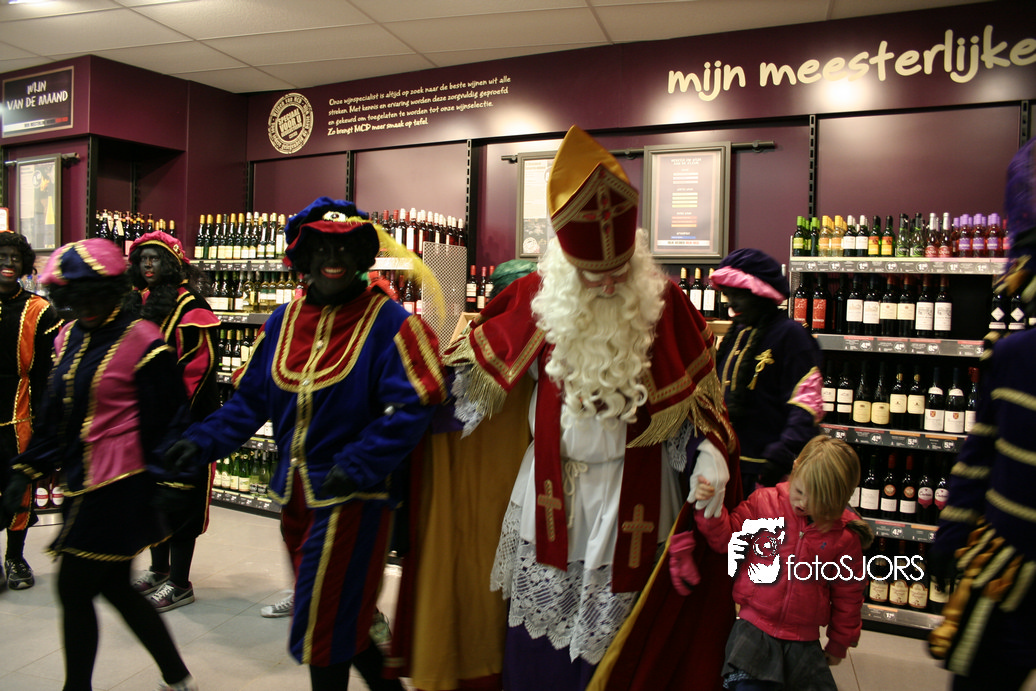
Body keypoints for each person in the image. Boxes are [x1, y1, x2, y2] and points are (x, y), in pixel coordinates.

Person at [405, 125, 740, 691]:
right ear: (563, 262)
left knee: (620, 638)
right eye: (592, 275)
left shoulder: (666, 303)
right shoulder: (535, 299)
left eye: (618, 272)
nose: (608, 286)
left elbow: (696, 405)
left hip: (635, 496)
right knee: (541, 638)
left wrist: (711, 453)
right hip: (550, 490)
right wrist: (411, 408)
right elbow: (469, 387)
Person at [164, 198, 447, 691]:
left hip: (354, 500)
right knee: (343, 619)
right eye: (320, 248)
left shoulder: (391, 324)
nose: (332, 258)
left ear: (362, 257)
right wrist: (202, 442)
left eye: (344, 248)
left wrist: (358, 463)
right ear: (303, 256)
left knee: (323, 621)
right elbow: (250, 401)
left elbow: (413, 407)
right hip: (294, 498)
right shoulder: (282, 322)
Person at [1, 238, 196, 691]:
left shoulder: (144, 340)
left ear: (112, 290)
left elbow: (171, 418)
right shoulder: (69, 336)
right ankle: (178, 677)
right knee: (115, 589)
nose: (85, 307)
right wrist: (26, 469)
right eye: (76, 297)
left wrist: (174, 482)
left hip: (121, 487)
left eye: (93, 295)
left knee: (73, 589)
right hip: (81, 482)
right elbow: (56, 414)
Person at [927, 139, 1036, 690]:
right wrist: (952, 532)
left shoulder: (1014, 354)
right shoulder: (1013, 355)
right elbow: (979, 453)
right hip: (1002, 577)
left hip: (1006, 565)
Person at [691, 435, 873, 691]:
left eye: (818, 500)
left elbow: (849, 594)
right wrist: (708, 507)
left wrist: (839, 642)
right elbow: (727, 539)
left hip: (804, 639)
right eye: (800, 492)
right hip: (753, 628)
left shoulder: (844, 537)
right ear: (795, 468)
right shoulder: (763, 503)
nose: (804, 504)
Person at [127, 230, 220, 611]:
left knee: (182, 501)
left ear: (171, 263)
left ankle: (180, 583)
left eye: (155, 258)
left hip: (185, 422)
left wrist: (167, 410)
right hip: (147, 422)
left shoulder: (192, 306)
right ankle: (158, 570)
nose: (148, 265)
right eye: (142, 259)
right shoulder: (139, 301)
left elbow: (198, 369)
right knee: (155, 499)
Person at [710, 249, 823, 493]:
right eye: (729, 295)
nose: (732, 303)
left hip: (766, 475)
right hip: (724, 465)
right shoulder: (737, 333)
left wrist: (781, 454)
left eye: (738, 295)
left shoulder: (792, 335)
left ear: (761, 292)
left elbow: (807, 402)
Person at [0, 230, 60, 591]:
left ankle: (15, 557)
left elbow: (45, 373)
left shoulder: (39, 309)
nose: (8, 263)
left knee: (18, 488)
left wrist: (43, 422)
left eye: (15, 257)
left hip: (18, 415)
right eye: (2, 256)